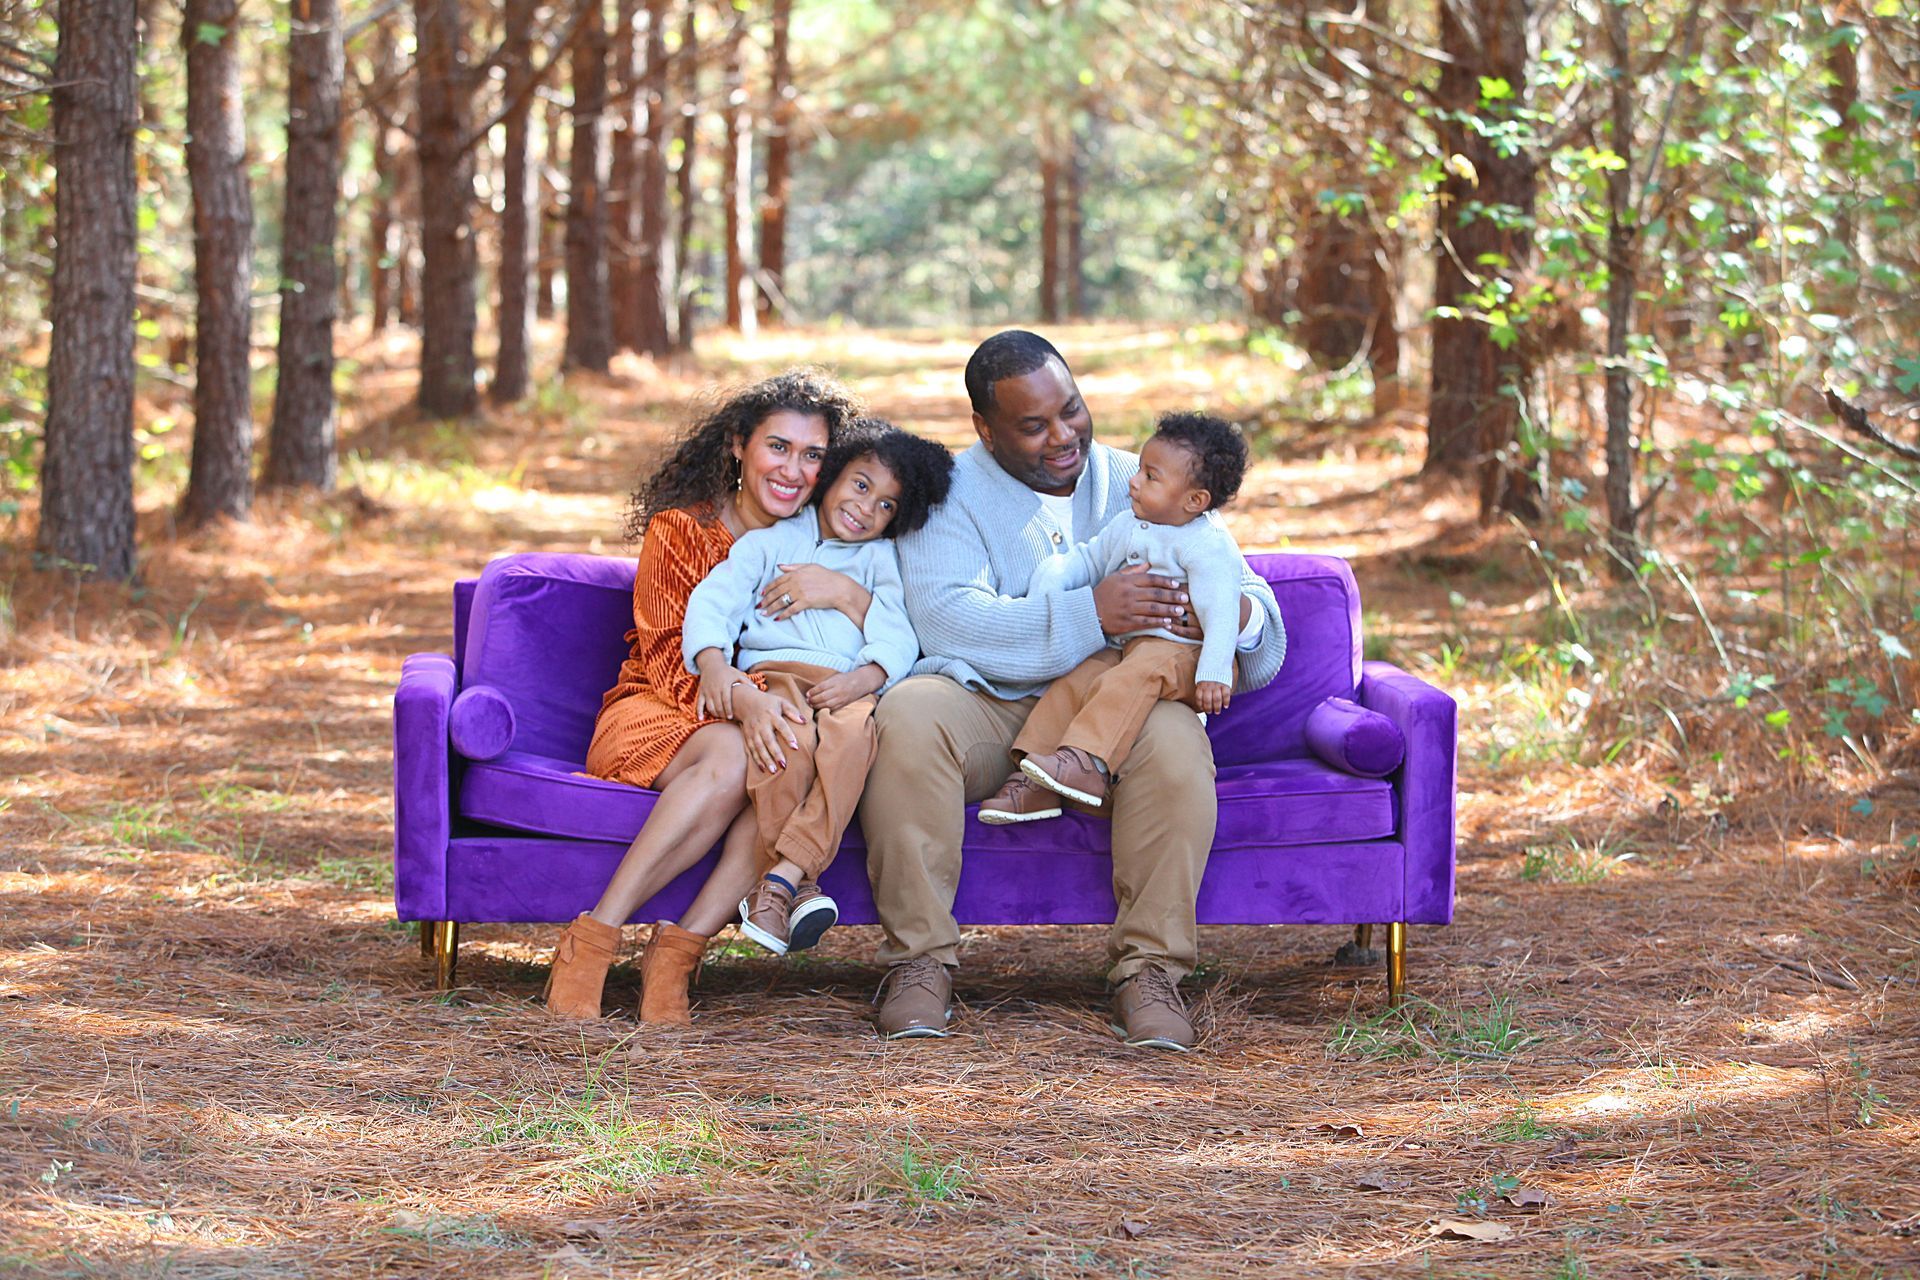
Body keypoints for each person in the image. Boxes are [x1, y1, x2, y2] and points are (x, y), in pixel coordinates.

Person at [858, 331, 1288, 1052]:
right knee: (906, 715)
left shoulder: (1145, 476)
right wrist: (1094, 612)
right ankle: (920, 962)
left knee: (1178, 745)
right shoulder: (944, 498)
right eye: (1033, 426)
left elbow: (1244, 594)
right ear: (985, 430)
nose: (1063, 436)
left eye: (1073, 410)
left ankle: (1150, 971)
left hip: (1116, 705)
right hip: (989, 701)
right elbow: (946, 620)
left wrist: (1227, 618)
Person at [541, 369, 861, 1025]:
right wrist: (748, 702)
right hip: (656, 710)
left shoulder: (828, 545)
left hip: (772, 717)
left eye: (813, 455)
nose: (792, 470)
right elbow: (666, 658)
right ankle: (593, 941)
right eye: (778, 447)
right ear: (739, 444)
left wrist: (845, 595)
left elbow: (894, 619)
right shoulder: (682, 532)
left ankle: (677, 954)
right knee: (737, 755)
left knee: (777, 754)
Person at [680, 419, 955, 955]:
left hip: (846, 683)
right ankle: (794, 881)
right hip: (777, 675)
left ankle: (780, 882)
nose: (866, 508)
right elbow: (716, 598)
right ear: (831, 475)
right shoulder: (772, 541)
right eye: (859, 485)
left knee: (855, 742)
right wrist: (713, 663)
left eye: (886, 506)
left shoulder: (880, 561)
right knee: (789, 747)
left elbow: (897, 629)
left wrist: (868, 677)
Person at [977, 411, 1250, 823]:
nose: (1134, 481)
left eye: (1151, 477)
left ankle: (1088, 764)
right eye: (1139, 470)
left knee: (1132, 674)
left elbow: (1224, 607)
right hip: (1129, 648)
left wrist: (1214, 670)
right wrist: (1052, 585)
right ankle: (1036, 779)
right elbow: (1088, 559)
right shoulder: (1129, 524)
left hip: (1186, 656)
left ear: (1195, 501)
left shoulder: (1206, 545)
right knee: (1079, 678)